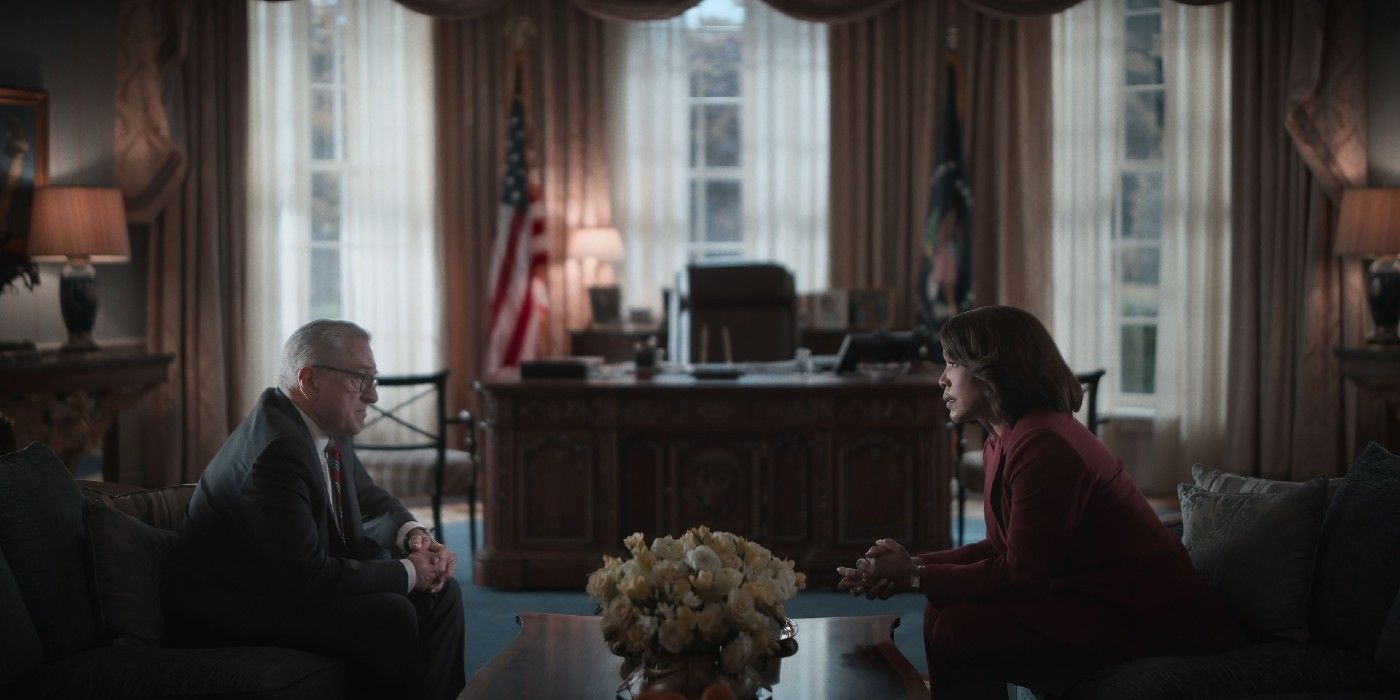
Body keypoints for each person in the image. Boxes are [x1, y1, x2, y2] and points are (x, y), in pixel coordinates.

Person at [837, 306, 1243, 698]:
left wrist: (913, 575)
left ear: (992, 372)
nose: (941, 379)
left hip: (1146, 618)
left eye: (952, 364)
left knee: (961, 628)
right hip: (1092, 599)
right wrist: (911, 566)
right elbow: (1001, 547)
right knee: (940, 612)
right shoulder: (1006, 437)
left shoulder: (1043, 444)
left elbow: (1022, 576)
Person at [163, 320, 465, 699]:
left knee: (441, 592)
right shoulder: (278, 450)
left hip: (283, 586)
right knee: (391, 614)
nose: (372, 396)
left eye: (374, 380)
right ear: (309, 381)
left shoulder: (324, 425)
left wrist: (415, 538)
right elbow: (302, 578)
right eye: (360, 379)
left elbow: (369, 500)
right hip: (234, 607)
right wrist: (407, 572)